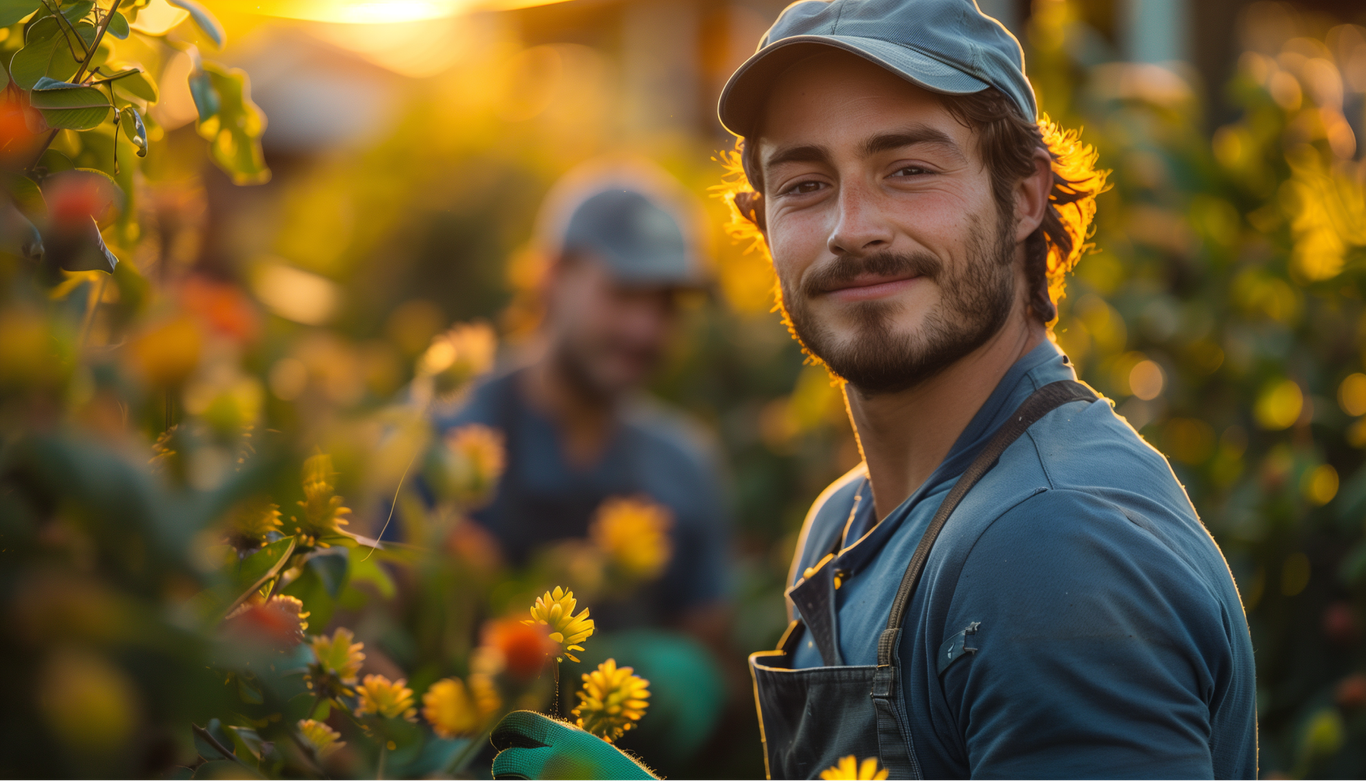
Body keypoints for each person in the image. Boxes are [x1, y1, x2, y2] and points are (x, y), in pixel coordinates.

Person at [487, 1, 1258, 780]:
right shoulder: (845, 522)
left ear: (1024, 195)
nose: (852, 227)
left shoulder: (1053, 546)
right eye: (806, 183)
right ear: (760, 221)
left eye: (909, 170)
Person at [434, 163, 734, 768]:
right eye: (623, 293)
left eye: (668, 304)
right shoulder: (450, 437)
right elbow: (377, 630)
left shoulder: (684, 461)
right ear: (551, 277)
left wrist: (684, 686)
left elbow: (713, 647)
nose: (644, 328)